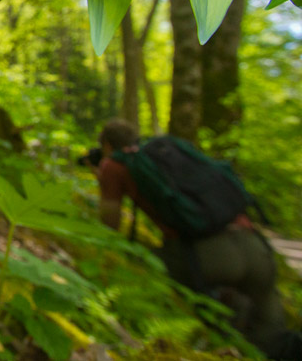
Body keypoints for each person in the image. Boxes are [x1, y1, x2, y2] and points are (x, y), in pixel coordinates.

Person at [95, 119, 300, 359]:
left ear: (107, 145)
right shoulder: (172, 150)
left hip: (203, 255)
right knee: (273, 335)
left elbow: (110, 222)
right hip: (255, 247)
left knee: (143, 267)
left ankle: (226, 319)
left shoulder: (115, 165)